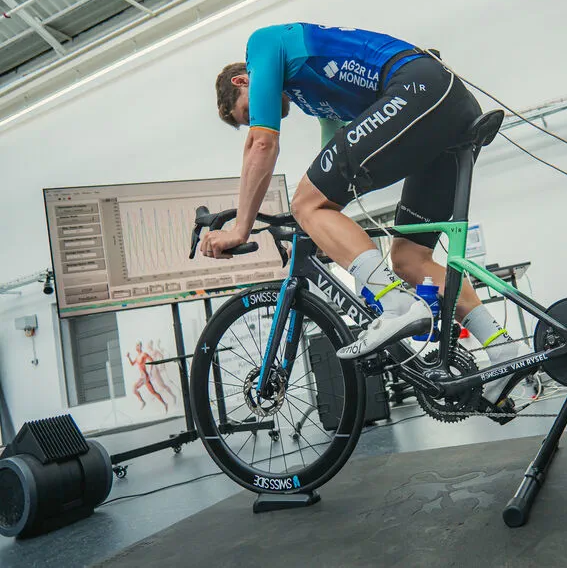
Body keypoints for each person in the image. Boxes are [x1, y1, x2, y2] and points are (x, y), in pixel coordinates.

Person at [203, 23, 530, 413]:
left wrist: (242, 227)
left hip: (419, 89)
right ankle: (504, 351)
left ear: (244, 80)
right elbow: (330, 169)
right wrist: (322, 227)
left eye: (249, 108)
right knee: (410, 259)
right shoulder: (315, 100)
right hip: (445, 108)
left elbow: (261, 143)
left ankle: (397, 306)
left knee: (306, 203)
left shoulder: (263, 45)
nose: (259, 112)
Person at [126, 341, 168, 412]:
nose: (137, 347)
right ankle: (143, 402)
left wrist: (150, 371)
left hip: (145, 376)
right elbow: (132, 364)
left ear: (140, 346)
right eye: (136, 346)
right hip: (142, 377)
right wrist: (128, 357)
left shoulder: (143, 354)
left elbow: (151, 361)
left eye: (138, 345)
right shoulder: (137, 356)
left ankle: (164, 404)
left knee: (152, 392)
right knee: (135, 389)